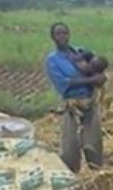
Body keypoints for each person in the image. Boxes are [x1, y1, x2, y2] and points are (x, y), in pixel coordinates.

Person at [43, 22, 106, 172]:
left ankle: (96, 171)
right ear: (53, 37)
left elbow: (96, 69)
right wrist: (91, 80)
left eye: (64, 33)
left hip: (90, 102)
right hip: (71, 105)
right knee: (70, 145)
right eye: (58, 33)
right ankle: (72, 174)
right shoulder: (53, 60)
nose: (62, 36)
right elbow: (65, 83)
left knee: (94, 141)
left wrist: (99, 75)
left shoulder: (80, 52)